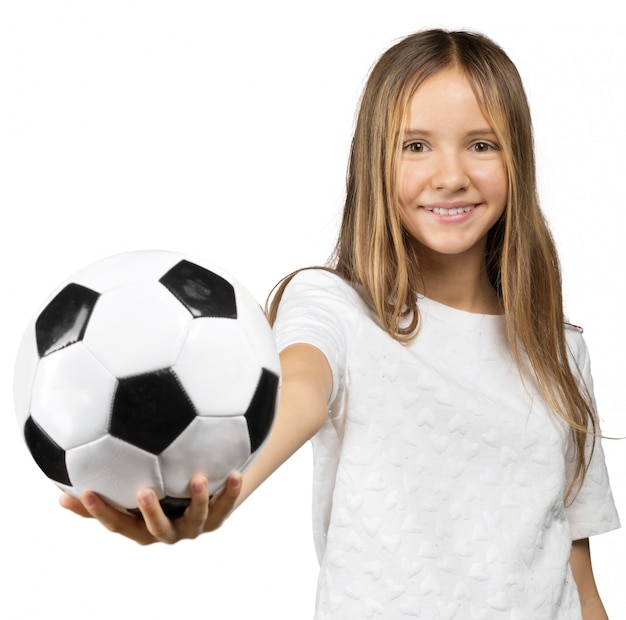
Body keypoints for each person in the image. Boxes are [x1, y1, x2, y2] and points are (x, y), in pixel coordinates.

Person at [61, 29, 620, 618]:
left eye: (482, 145)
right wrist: (226, 490)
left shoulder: (559, 349)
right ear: (374, 158)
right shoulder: (334, 306)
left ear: (518, 158)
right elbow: (300, 389)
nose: (451, 175)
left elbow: (576, 572)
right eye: (415, 146)